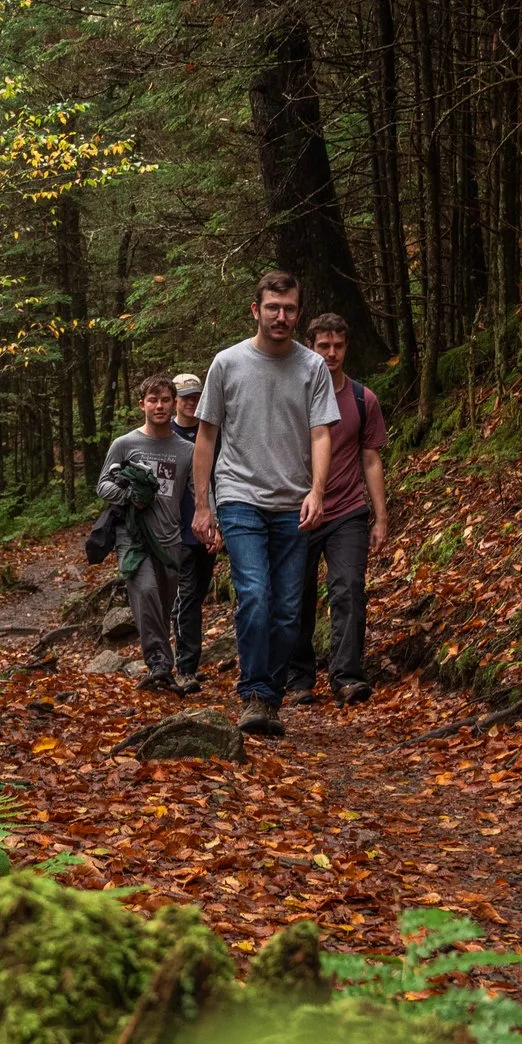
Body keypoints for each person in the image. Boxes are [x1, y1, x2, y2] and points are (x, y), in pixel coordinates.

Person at [191, 269, 339, 738]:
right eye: (272, 308)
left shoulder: (312, 367)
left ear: (299, 311)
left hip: (293, 501)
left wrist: (317, 489)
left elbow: (321, 432)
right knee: (254, 594)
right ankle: (255, 693)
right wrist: (203, 504)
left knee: (290, 610)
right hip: (239, 496)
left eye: (290, 309)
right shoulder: (227, 364)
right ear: (256, 310)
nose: (281, 317)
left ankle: (269, 696)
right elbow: (206, 435)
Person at [279, 313, 388, 706]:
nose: (331, 353)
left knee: (348, 589)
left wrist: (381, 517)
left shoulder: (363, 398)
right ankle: (299, 678)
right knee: (296, 596)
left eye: (338, 346)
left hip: (348, 512)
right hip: (296, 512)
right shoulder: (292, 394)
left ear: (347, 347)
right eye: (323, 346)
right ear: (309, 346)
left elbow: (371, 459)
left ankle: (346, 676)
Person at [95, 374, 197, 691]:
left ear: (174, 403)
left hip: (170, 540)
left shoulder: (187, 450)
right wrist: (130, 497)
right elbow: (103, 485)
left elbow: (198, 492)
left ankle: (162, 669)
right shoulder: (125, 445)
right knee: (146, 592)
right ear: (142, 405)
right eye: (153, 400)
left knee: (161, 607)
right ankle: (160, 665)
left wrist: (212, 523)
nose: (160, 406)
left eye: (166, 399)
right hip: (134, 539)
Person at [168, 371, 216, 693]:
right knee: (186, 598)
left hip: (208, 530)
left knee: (195, 597)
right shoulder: (163, 433)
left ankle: (187, 661)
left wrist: (219, 523)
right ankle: (185, 668)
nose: (191, 402)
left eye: (196, 396)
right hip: (177, 532)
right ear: (175, 400)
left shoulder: (211, 432)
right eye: (185, 396)